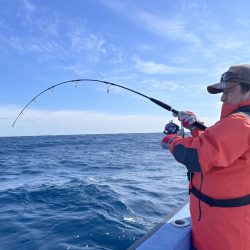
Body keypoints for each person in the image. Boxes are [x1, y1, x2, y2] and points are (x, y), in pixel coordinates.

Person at [161, 64, 250, 250]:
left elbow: (197, 156)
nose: (223, 97)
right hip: (217, 228)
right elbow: (221, 148)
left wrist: (172, 141)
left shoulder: (240, 123)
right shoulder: (237, 123)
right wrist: (195, 127)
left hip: (227, 236)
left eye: (229, 90)